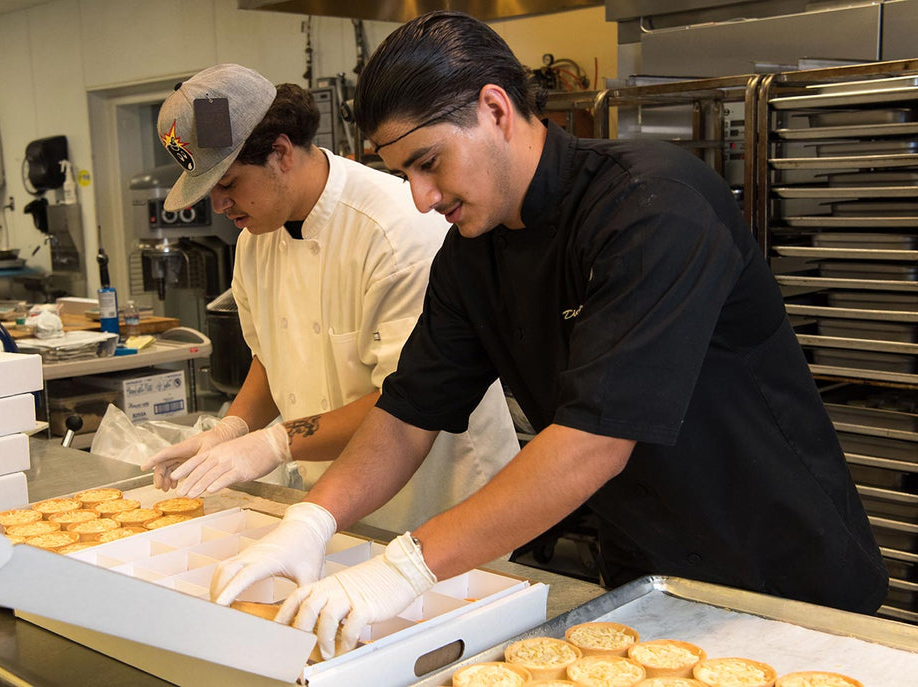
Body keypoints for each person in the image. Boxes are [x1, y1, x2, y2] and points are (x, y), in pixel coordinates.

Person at [207, 12, 888, 659]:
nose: (419, 196)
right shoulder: (471, 257)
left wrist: (404, 566)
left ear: (496, 110)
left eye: (428, 162)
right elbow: (407, 413)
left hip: (783, 573)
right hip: (646, 576)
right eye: (402, 172)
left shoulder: (651, 207)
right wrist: (313, 519)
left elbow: (590, 446)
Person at [142, 63, 519, 535]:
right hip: (332, 497)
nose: (219, 206)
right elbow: (272, 358)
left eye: (228, 183)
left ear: (280, 152)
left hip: (437, 502)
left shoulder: (395, 230)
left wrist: (274, 444)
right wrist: (229, 431)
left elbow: (410, 398)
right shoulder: (255, 239)